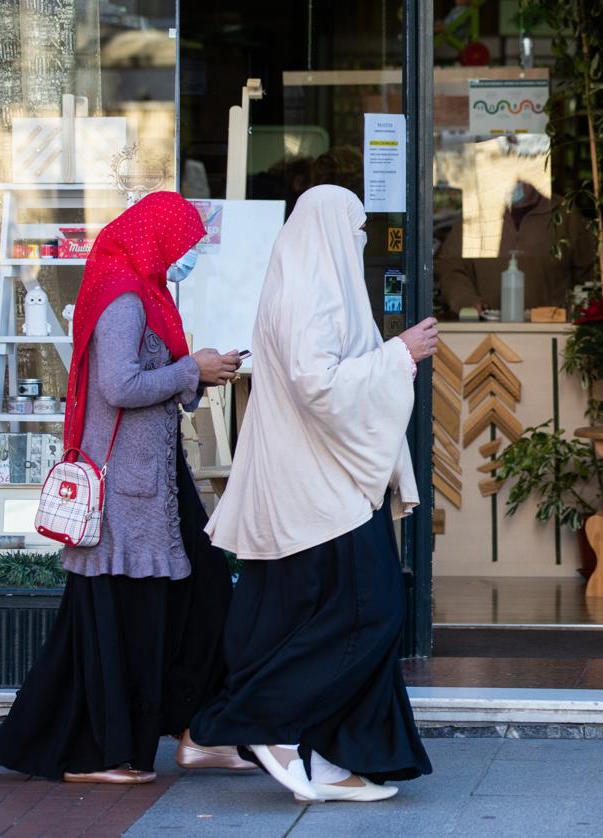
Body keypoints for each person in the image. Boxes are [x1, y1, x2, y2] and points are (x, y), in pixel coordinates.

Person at [0, 192, 251, 783]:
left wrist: (198, 373)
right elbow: (120, 385)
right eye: (184, 245)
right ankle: (101, 752)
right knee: (134, 613)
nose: (187, 257)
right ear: (156, 238)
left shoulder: (145, 292)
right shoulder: (125, 298)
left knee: (202, 591)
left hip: (153, 474)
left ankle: (198, 730)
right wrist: (192, 371)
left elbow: (149, 379)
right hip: (126, 487)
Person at [189, 185, 434, 803]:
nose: (360, 241)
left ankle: (336, 758)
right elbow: (314, 385)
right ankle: (275, 727)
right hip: (320, 490)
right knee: (371, 611)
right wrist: (397, 356)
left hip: (323, 483)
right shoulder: (311, 291)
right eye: (355, 230)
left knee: (344, 615)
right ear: (329, 231)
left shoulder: (304, 281)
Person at [435, 181, 599, 315]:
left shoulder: (564, 214)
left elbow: (596, 269)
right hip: (485, 332)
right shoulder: (476, 214)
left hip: (550, 333)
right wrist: (466, 300)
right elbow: (451, 267)